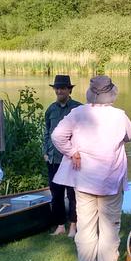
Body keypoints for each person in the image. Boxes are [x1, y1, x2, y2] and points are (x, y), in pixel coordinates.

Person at [51, 75, 131, 261]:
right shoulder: (119, 115)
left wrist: (72, 152)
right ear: (110, 94)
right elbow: (130, 135)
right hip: (110, 179)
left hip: (84, 179)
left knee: (86, 225)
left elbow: (57, 136)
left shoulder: (78, 113)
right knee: (109, 227)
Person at [44, 74, 82, 237]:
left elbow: (84, 134)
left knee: (73, 194)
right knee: (56, 193)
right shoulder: (51, 109)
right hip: (53, 159)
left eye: (62, 88)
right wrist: (45, 152)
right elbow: (47, 132)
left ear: (69, 90)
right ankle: (60, 225)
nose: (59, 91)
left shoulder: (79, 109)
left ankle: (73, 226)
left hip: (71, 159)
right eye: (56, 88)